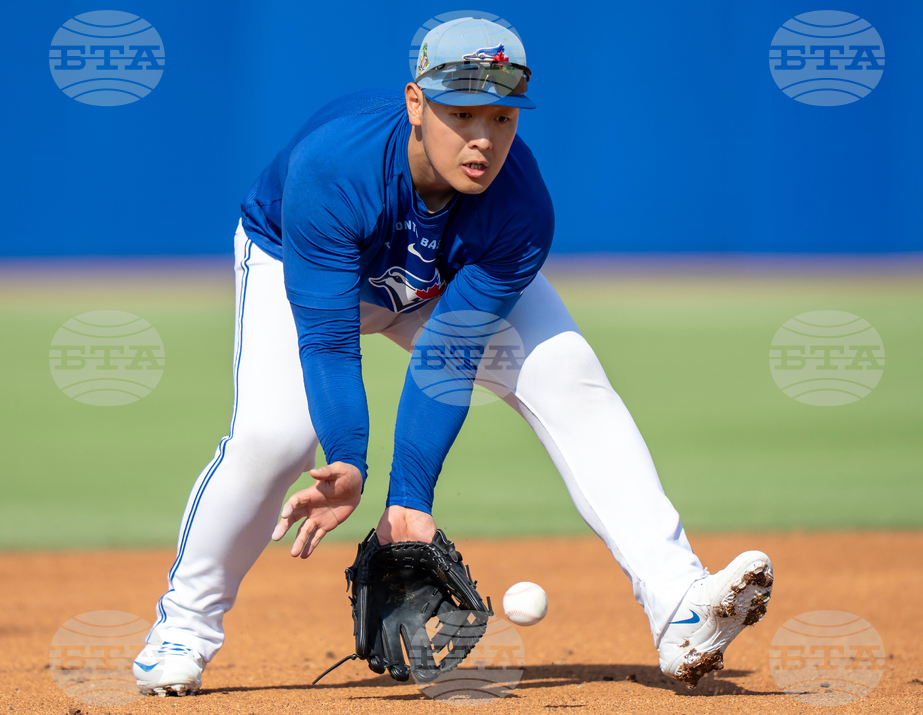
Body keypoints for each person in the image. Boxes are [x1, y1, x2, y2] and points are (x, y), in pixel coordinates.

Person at [132, 16, 773, 697]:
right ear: (416, 104)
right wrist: (350, 457)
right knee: (276, 435)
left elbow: (447, 355)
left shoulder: (521, 208)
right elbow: (326, 338)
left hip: (441, 284)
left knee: (568, 373)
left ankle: (681, 604)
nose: (483, 138)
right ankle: (183, 627)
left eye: (501, 117)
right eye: (460, 112)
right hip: (302, 263)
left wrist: (409, 498)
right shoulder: (333, 170)